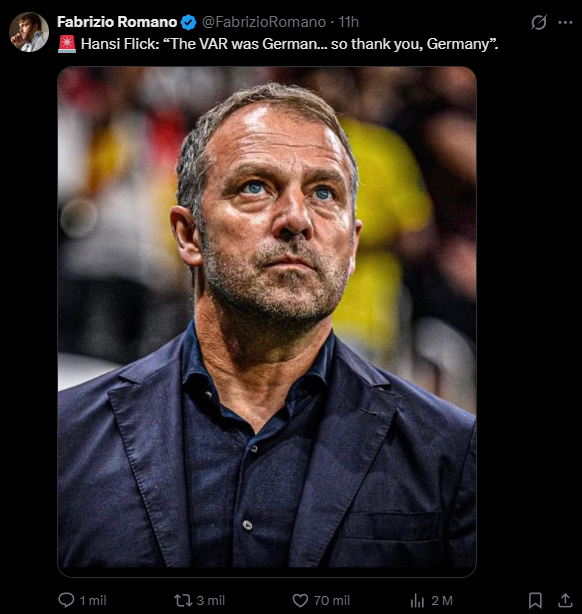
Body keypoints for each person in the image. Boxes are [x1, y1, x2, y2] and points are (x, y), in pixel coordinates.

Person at [58, 83, 475, 569]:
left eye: (324, 193)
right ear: (189, 235)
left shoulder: (449, 452)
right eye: (255, 187)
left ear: (352, 246)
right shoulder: (69, 437)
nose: (297, 218)